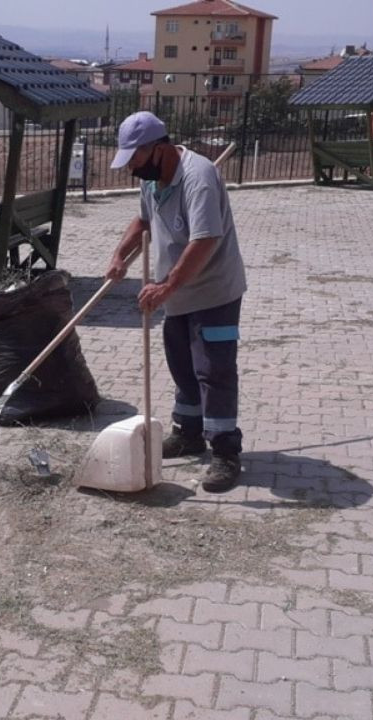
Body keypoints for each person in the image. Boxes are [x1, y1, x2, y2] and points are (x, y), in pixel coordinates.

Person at [105, 111, 247, 493]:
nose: (132, 168)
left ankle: (225, 452)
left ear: (159, 147)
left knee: (213, 370)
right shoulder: (153, 180)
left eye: (135, 159)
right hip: (177, 291)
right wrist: (120, 255)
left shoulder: (198, 177)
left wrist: (165, 287)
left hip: (214, 291)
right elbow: (143, 220)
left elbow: (205, 241)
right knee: (182, 364)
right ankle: (188, 432)